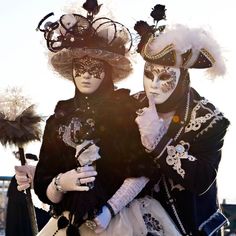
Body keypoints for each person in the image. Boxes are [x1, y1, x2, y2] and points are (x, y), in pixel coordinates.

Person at [32, 1, 180, 235]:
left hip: (122, 220)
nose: (86, 75)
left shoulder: (126, 110)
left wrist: (110, 209)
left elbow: (143, 169)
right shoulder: (58, 119)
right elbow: (43, 179)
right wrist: (60, 183)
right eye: (80, 68)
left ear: (108, 71)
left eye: (95, 68)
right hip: (69, 223)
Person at [133, 5, 230, 236]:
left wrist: (159, 141)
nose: (154, 84)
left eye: (165, 76)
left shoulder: (209, 120)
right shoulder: (130, 106)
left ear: (182, 76)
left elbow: (202, 178)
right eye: (149, 74)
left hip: (190, 229)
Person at [6, 153, 50, 236]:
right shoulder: (17, 179)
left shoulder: (38, 178)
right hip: (22, 217)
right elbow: (20, 201)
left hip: (27, 215)